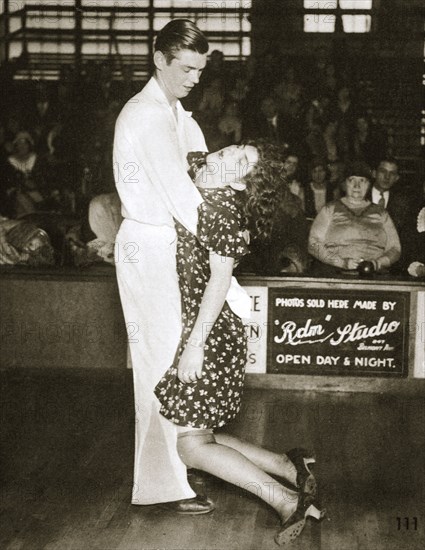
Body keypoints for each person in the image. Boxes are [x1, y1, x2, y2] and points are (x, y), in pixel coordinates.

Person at [154, 143, 324, 546]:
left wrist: (195, 345)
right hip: (200, 327)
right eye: (233, 149)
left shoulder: (222, 209)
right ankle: (287, 465)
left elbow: (218, 281)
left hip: (209, 334)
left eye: (241, 162)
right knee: (200, 432)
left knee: (192, 447)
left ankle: (284, 499)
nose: (229, 155)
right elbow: (186, 152)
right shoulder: (200, 170)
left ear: (241, 180)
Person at [112, 20, 213, 513]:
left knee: (175, 362)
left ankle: (181, 468)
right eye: (187, 68)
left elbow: (206, 178)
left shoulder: (178, 115)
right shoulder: (146, 114)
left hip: (173, 246)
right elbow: (183, 197)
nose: (194, 78)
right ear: (159, 59)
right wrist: (224, 254)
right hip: (147, 248)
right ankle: (161, 487)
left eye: (201, 69)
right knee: (156, 366)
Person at [308, 161, 401, 275]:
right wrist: (341, 262)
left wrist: (376, 263)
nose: (357, 186)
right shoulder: (330, 209)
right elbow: (313, 243)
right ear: (344, 184)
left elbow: (395, 248)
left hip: (373, 274)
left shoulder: (381, 213)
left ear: (368, 185)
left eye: (362, 181)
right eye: (352, 180)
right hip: (335, 273)